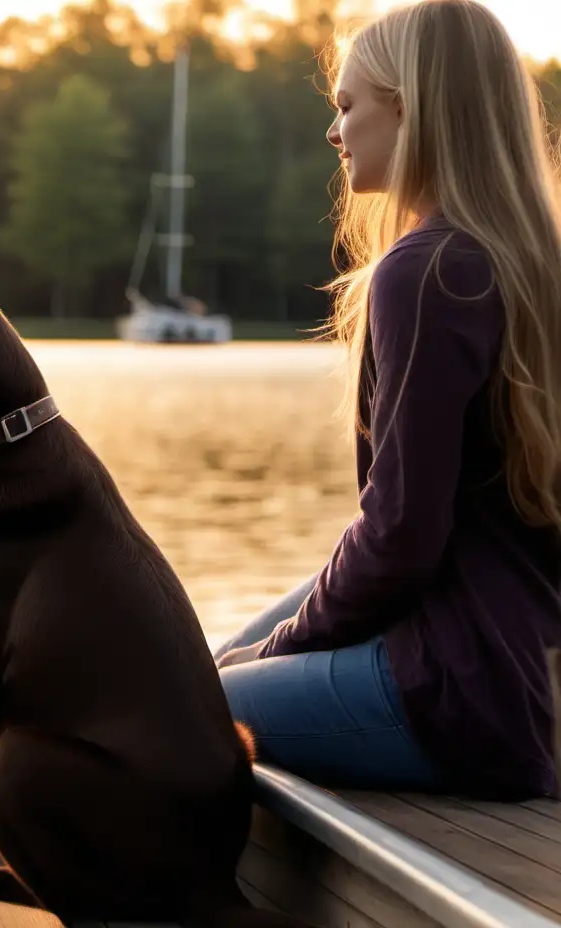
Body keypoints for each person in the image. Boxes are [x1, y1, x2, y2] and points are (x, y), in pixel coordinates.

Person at [213, 0, 561, 800]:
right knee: (198, 671)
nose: (335, 133)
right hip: (519, 670)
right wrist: (279, 645)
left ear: (407, 107)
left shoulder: (429, 272)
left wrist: (282, 652)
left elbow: (403, 536)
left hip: (460, 689)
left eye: (346, 106)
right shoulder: (525, 263)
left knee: (180, 707)